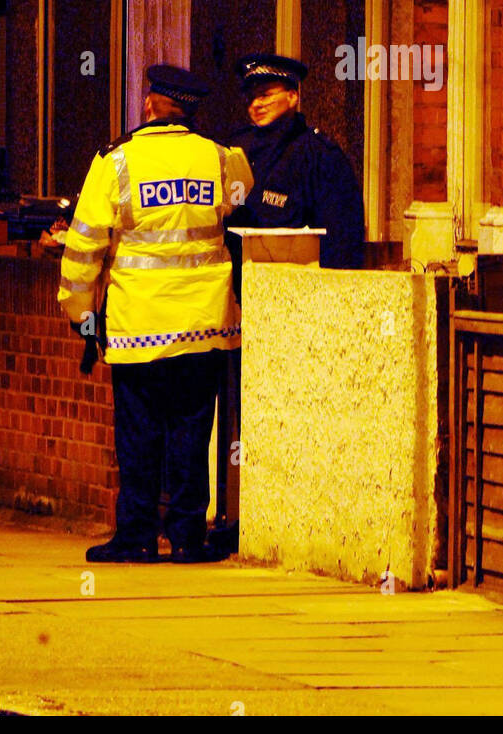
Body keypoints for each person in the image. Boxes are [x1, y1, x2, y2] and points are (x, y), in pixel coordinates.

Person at [57, 64, 252, 563]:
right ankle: (189, 537)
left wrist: (80, 314)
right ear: (187, 110)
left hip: (137, 325)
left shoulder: (116, 160)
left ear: (149, 105)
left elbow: (83, 248)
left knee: (139, 434)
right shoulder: (219, 158)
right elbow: (243, 200)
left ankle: (137, 536)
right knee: (192, 429)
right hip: (202, 325)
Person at [226, 53, 365, 275]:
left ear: (292, 97)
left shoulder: (318, 154)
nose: (256, 105)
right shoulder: (237, 148)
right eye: (251, 98)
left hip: (294, 286)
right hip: (239, 282)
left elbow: (342, 235)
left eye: (265, 95)